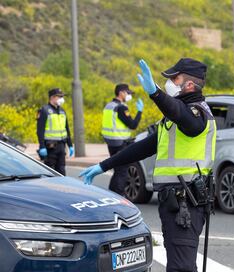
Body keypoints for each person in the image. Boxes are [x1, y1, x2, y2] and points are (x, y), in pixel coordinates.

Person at [80, 58, 216, 272]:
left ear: (189, 85)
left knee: (181, 268)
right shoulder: (173, 120)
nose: (169, 83)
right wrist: (104, 165)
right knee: (181, 263)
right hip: (175, 203)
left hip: (185, 204)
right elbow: (142, 148)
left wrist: (156, 93)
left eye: (174, 78)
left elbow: (182, 115)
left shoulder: (197, 114)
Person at [102, 83, 144, 195]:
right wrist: (140, 112)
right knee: (122, 172)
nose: (129, 95)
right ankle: (119, 196)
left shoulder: (108, 106)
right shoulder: (121, 108)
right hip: (121, 143)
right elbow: (133, 125)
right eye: (128, 93)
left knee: (117, 170)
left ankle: (111, 194)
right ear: (121, 93)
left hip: (111, 143)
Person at [36, 88, 74, 175]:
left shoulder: (62, 111)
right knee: (50, 173)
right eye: (59, 97)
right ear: (52, 97)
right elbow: (40, 130)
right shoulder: (44, 110)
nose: (62, 99)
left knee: (61, 171)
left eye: (62, 97)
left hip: (61, 146)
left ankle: (62, 188)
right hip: (50, 147)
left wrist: (70, 145)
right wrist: (42, 146)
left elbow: (66, 129)